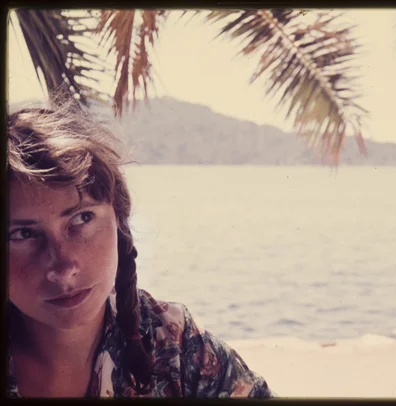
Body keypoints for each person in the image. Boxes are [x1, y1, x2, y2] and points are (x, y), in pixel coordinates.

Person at [6, 100, 275, 398]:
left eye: (82, 218)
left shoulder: (174, 345)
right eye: (22, 234)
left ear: (119, 220)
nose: (64, 265)